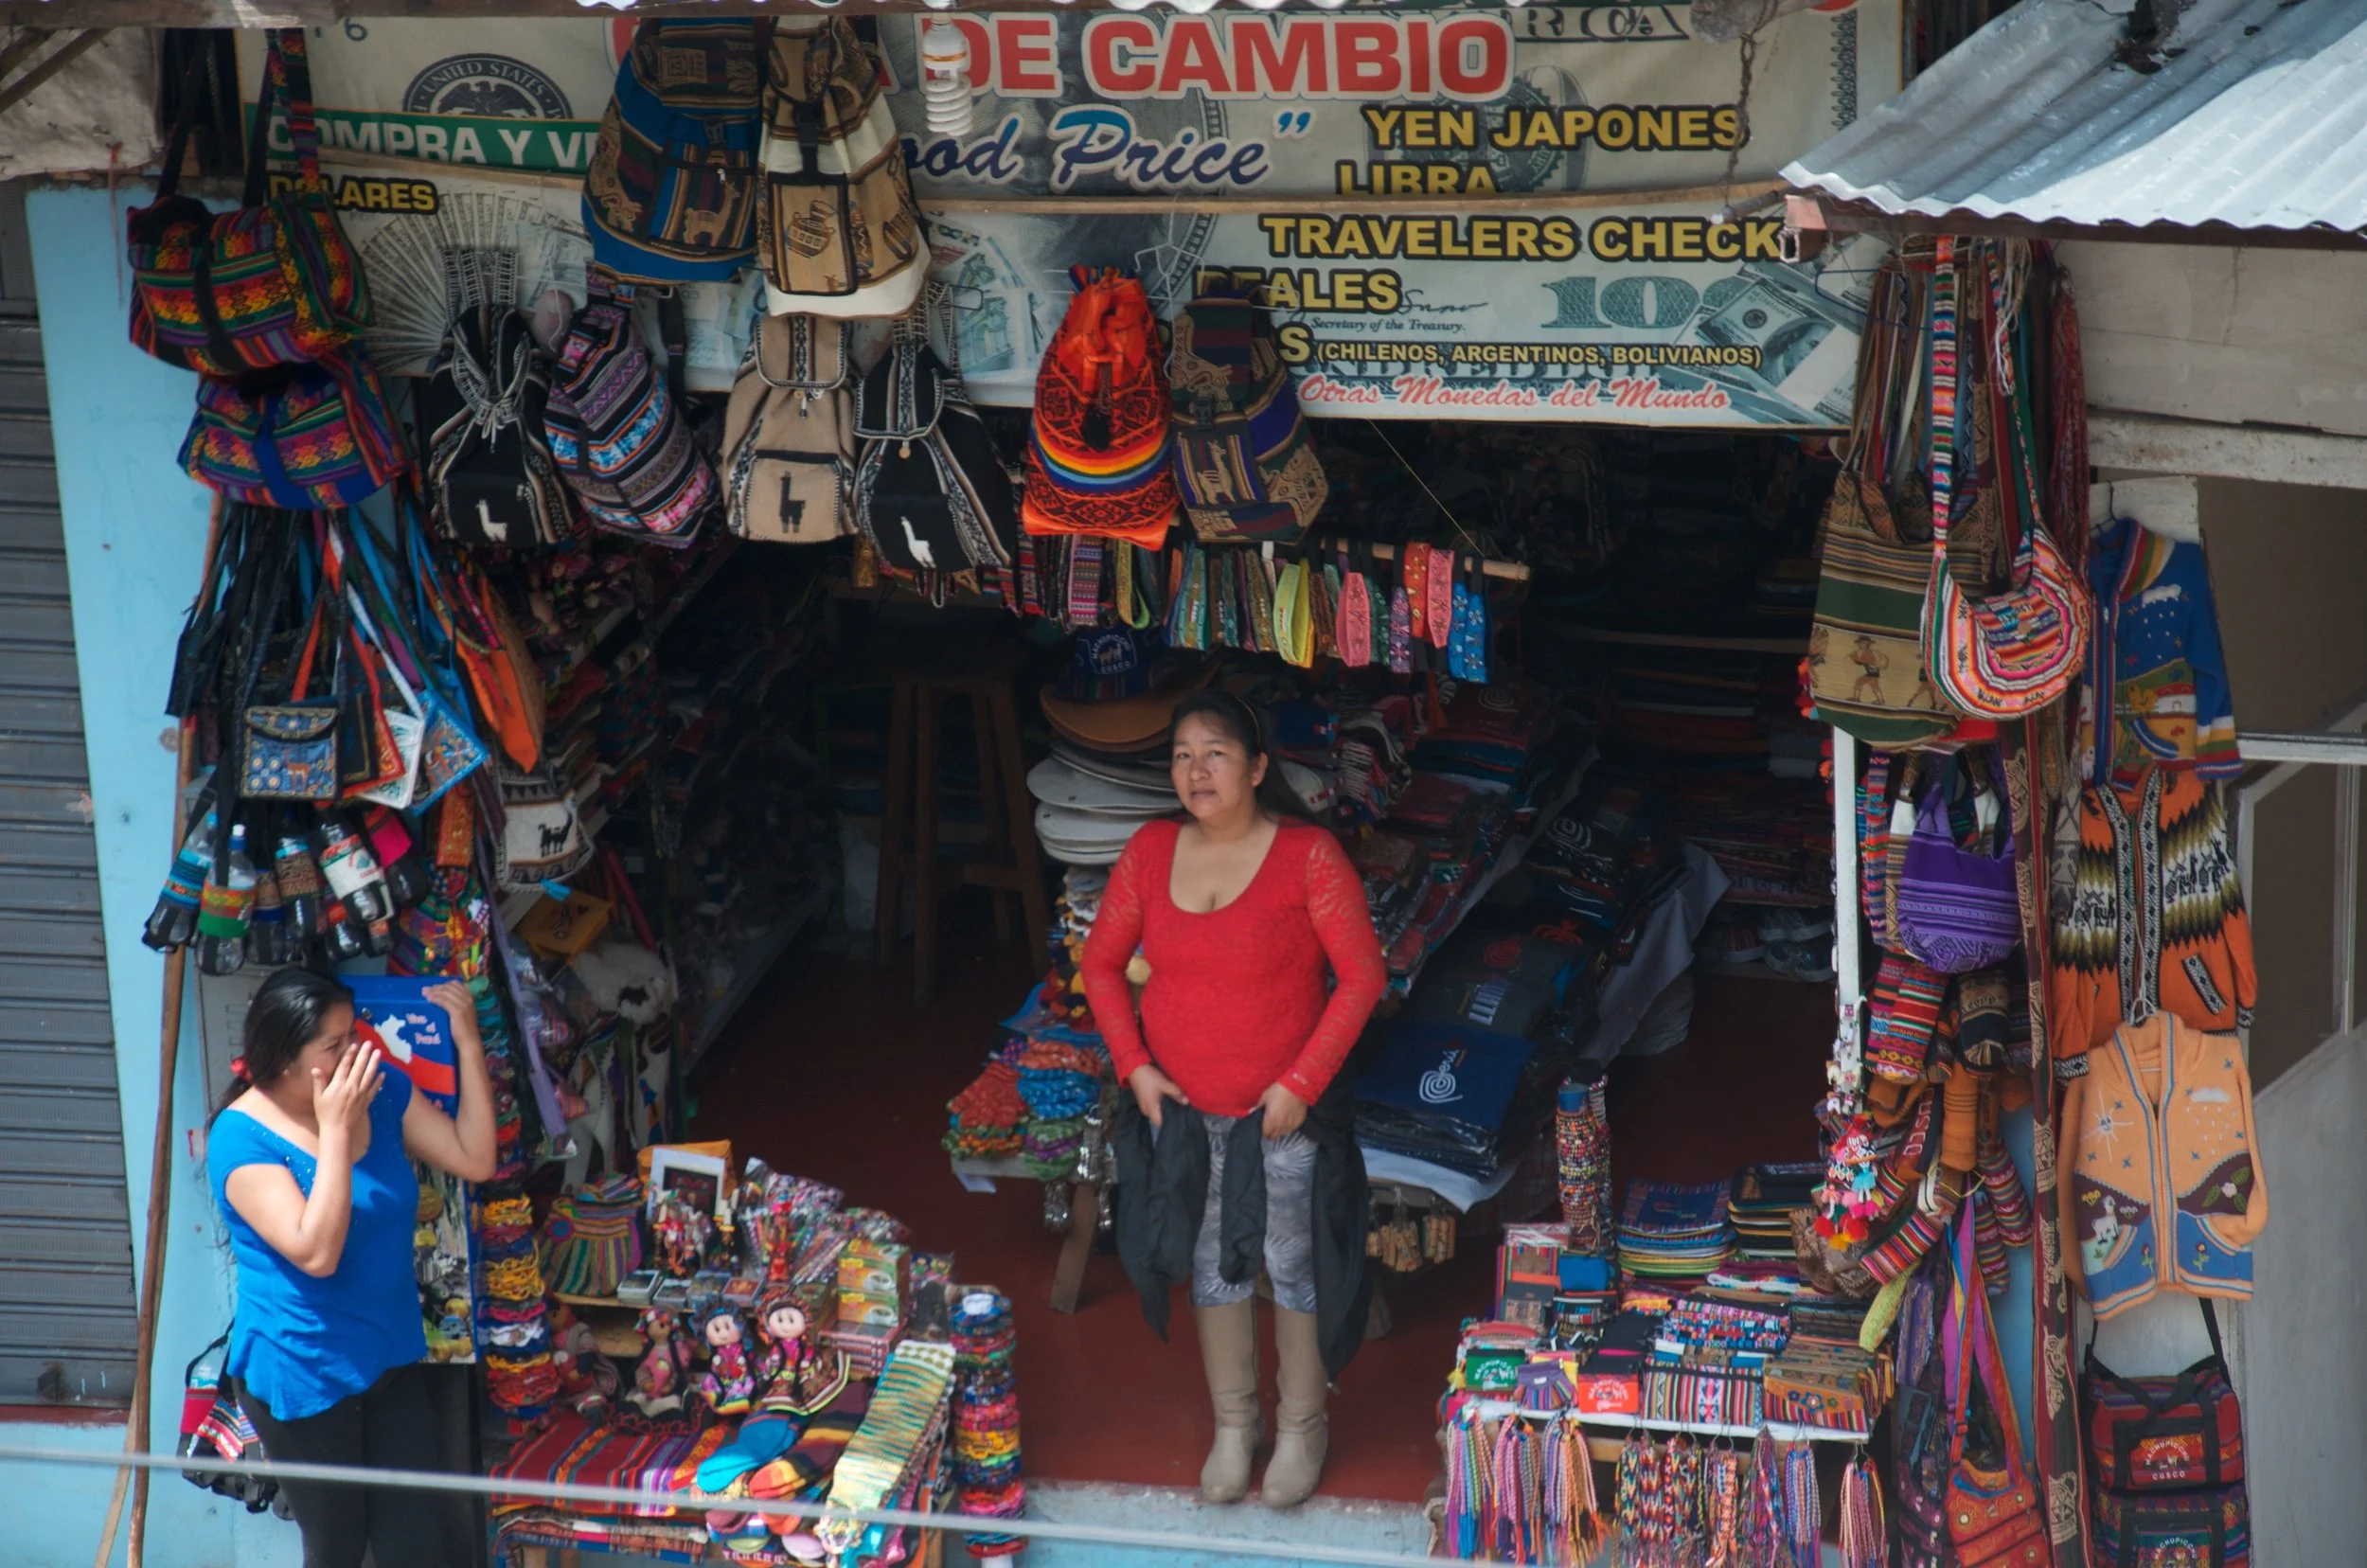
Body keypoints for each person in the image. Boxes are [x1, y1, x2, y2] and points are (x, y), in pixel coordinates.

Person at [1080, 689, 1386, 1507]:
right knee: (1213, 1264)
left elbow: (1363, 977)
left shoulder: (1308, 855)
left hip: (1281, 1114)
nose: (1196, 771)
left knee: (1292, 1262)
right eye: (1182, 755)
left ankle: (1302, 1429)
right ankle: (1234, 1426)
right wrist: (1135, 1067)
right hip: (1184, 1113)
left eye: (1215, 753)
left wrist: (1300, 1083)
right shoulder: (1151, 850)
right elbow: (1100, 964)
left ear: (1256, 768)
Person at [207, 968, 498, 1568]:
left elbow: (474, 1158)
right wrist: (335, 1129)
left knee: (417, 1547)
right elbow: (317, 1253)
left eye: (353, 1035)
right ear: (285, 1060)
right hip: (304, 1372)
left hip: (388, 1355)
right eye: (334, 1045)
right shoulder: (240, 1138)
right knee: (338, 1549)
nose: (355, 1053)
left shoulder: (380, 1089)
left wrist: (468, 1043)